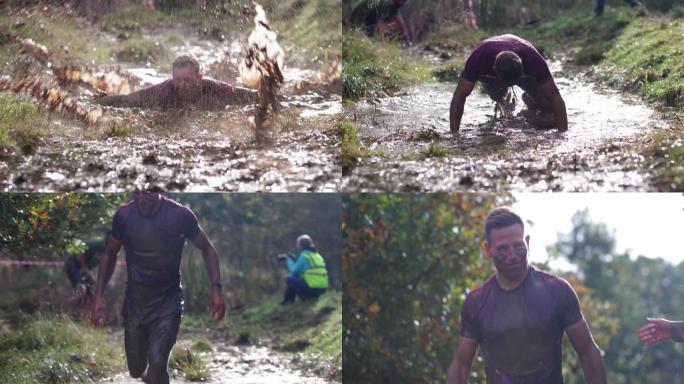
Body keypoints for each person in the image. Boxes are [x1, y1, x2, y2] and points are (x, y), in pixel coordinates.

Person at [446, 207, 607, 384]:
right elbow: (461, 365)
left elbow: (587, 351)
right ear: (488, 250)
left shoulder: (557, 291)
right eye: (502, 249)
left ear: (528, 242)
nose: (512, 255)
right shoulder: (477, 302)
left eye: (518, 246)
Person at [91, 191, 225, 384]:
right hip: (136, 300)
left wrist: (216, 289)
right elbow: (110, 253)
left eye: (148, 194)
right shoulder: (124, 216)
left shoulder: (180, 215)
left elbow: (207, 248)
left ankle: (157, 375)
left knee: (158, 359)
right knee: (136, 369)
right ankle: (151, 377)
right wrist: (98, 297)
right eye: (137, 193)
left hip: (168, 300)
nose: (142, 199)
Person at [449, 34, 568, 132]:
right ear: (494, 69)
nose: (509, 86)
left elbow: (555, 96)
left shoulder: (533, 59)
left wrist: (563, 133)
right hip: (488, 65)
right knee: (497, 95)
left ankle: (530, 100)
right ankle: (504, 113)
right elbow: (459, 95)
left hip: (522, 66)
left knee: (545, 105)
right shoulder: (478, 59)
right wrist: (454, 134)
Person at [97, 55, 259, 110]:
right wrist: (103, 101)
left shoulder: (215, 88)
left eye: (187, 80)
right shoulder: (164, 90)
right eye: (178, 80)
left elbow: (247, 96)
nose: (182, 85)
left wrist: (272, 96)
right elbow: (129, 100)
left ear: (199, 78)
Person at [63, 233, 108, 313]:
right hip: (73, 265)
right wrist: (88, 273)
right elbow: (79, 257)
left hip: (84, 269)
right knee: (81, 292)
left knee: (89, 295)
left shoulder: (110, 250)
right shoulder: (96, 243)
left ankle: (86, 319)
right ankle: (63, 314)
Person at [280, 234, 329, 305]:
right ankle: (288, 300)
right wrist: (294, 261)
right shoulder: (316, 255)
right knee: (295, 278)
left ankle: (303, 298)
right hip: (322, 288)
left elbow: (294, 271)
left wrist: (289, 260)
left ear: (301, 246)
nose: (296, 246)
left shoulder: (305, 256)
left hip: (314, 288)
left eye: (297, 244)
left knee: (289, 279)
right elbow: (305, 270)